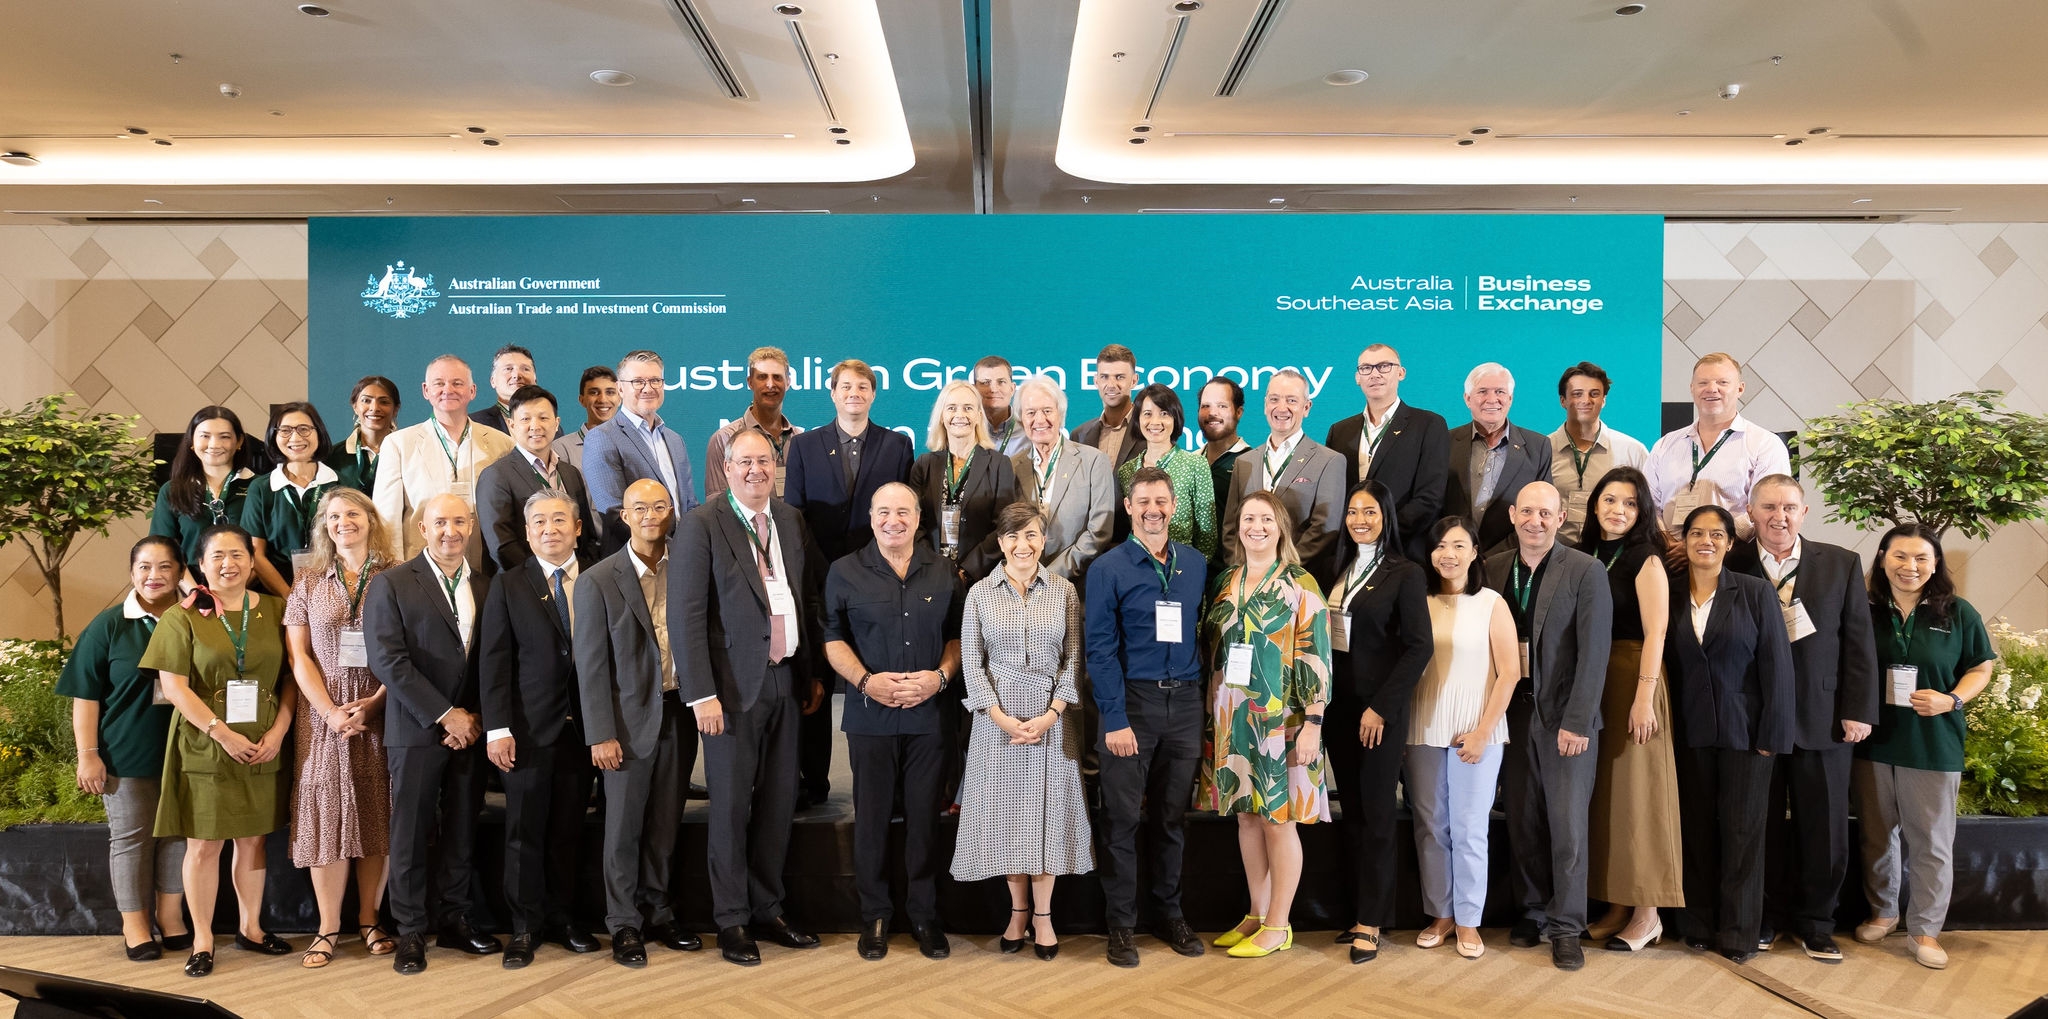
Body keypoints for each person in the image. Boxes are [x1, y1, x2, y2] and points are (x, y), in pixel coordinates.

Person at [675, 430, 824, 966]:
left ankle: (769, 906)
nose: (755, 470)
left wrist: (810, 673)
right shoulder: (701, 523)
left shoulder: (789, 518)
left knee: (780, 804)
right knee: (732, 808)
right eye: (745, 462)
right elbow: (687, 615)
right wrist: (701, 695)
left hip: (786, 681)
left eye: (764, 460)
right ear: (727, 466)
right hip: (731, 692)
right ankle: (731, 920)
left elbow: (802, 596)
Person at [140, 524, 297, 978]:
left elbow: (292, 678)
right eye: (218, 557)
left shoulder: (277, 608)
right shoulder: (183, 615)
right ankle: (203, 939)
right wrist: (223, 733)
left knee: (253, 840)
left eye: (237, 555)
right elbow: (174, 687)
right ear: (201, 566)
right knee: (204, 844)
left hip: (264, 742)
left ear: (252, 563)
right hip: (205, 743)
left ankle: (251, 927)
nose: (228, 564)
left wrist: (280, 731)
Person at [1733, 475, 1878, 961]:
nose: (1780, 516)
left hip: (1825, 719)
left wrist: (1858, 709)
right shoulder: (1732, 563)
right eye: (1769, 507)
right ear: (1751, 512)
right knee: (1762, 827)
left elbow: (1859, 645)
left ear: (1805, 511)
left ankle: (1818, 922)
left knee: (1826, 828)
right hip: (1756, 720)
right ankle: (1766, 917)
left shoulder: (1840, 564)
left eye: (1789, 507)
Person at [820, 482, 961, 962]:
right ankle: (875, 916)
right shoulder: (844, 572)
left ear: (919, 519)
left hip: (928, 720)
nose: (893, 520)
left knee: (924, 821)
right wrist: (865, 682)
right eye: (884, 512)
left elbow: (958, 638)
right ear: (871, 516)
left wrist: (939, 679)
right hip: (869, 718)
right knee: (872, 821)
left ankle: (924, 915)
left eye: (903, 512)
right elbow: (832, 639)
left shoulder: (943, 572)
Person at [361, 493, 501, 974]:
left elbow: (493, 661)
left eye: (459, 522)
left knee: (462, 829)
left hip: (472, 732)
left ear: (471, 527)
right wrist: (446, 715)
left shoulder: (487, 585)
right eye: (440, 522)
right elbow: (389, 662)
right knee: (411, 834)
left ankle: (457, 920)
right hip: (418, 730)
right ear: (422, 527)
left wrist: (475, 717)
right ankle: (411, 931)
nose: (450, 531)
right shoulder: (393, 584)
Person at [953, 501, 1093, 961]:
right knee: (1008, 818)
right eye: (1013, 537)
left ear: (1044, 540)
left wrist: (1053, 713)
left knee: (1046, 817)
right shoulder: (979, 594)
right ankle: (1017, 912)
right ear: (1000, 543)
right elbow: (972, 663)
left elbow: (1074, 657)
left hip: (1052, 718)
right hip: (998, 721)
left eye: (1032, 535)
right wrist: (1000, 717)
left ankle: (1044, 916)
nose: (1022, 545)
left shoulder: (1064, 592)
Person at [1852, 522, 1995, 971]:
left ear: (1935, 565)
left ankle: (1926, 930)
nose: (1909, 567)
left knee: (1931, 842)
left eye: (1920, 558)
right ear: (1881, 558)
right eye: (1899, 556)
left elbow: (1981, 667)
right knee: (1877, 836)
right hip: (1872, 740)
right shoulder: (1863, 608)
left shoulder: (1957, 613)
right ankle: (1885, 911)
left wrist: (1951, 699)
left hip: (1932, 744)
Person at [1484, 482, 1611, 971]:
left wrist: (1577, 720)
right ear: (1513, 515)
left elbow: (1594, 653)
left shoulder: (1585, 570)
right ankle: (1533, 911)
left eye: (1546, 513)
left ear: (1561, 519)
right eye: (1527, 511)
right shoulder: (1493, 568)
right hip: (1511, 716)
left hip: (1565, 720)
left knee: (1568, 829)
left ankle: (1566, 925)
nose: (1535, 520)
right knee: (1524, 820)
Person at [1085, 467, 1208, 967]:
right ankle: (1120, 924)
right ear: (1129, 507)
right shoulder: (1108, 568)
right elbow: (1099, 648)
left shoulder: (1195, 563)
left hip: (1183, 706)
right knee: (1119, 820)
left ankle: (1169, 913)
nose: (1153, 509)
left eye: (1161, 501)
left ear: (1173, 507)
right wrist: (1113, 718)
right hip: (1130, 705)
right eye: (1143, 502)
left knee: (1171, 819)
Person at [575, 479, 701, 968]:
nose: (651, 514)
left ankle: (658, 908)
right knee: (623, 827)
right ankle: (623, 922)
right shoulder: (598, 580)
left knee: (666, 822)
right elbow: (590, 666)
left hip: (679, 713)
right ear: (623, 515)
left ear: (672, 512)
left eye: (659, 506)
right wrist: (600, 733)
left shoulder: (690, 568)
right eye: (639, 507)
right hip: (625, 724)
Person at [1201, 489, 1331, 959]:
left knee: (1279, 821)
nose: (1256, 527)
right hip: (1232, 718)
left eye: (1266, 520)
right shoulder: (1225, 581)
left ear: (1281, 528)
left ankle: (1280, 923)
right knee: (1248, 818)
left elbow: (1317, 655)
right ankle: (1256, 914)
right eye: (1248, 519)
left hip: (1284, 721)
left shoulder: (1301, 583)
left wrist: (1314, 722)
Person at [1665, 504, 1796, 963]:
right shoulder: (1669, 592)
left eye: (1716, 534)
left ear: (1729, 542)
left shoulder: (1756, 593)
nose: (1706, 541)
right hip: (1688, 734)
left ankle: (1740, 932)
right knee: (1696, 833)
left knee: (1743, 837)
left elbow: (1777, 668)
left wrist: (1772, 736)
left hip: (1748, 737)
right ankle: (1697, 923)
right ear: (1682, 541)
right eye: (1696, 533)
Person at [784, 358, 914, 808]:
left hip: (879, 576)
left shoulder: (897, 445)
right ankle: (812, 783)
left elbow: (901, 514)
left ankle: (890, 786)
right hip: (817, 577)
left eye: (863, 386)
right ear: (832, 392)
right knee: (817, 677)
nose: (854, 393)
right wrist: (827, 570)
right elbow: (794, 517)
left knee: (878, 669)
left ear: (874, 394)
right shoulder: (803, 447)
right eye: (846, 386)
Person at [480, 487, 601, 968]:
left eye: (558, 520)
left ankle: (563, 917)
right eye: (538, 523)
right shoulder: (507, 584)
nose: (549, 530)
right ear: (527, 534)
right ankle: (526, 926)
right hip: (527, 733)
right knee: (524, 832)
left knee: (569, 831)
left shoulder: (598, 577)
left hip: (584, 732)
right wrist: (497, 729)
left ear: (576, 527)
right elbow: (494, 663)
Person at [60, 535, 190, 962]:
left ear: (180, 572)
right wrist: (88, 753)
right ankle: (135, 925)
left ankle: (171, 919)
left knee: (176, 837)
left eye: (165, 567)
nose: (154, 576)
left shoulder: (195, 619)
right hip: (126, 753)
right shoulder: (110, 625)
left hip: (186, 752)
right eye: (145, 567)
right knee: (132, 839)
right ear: (132, 573)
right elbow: (86, 695)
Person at [283, 487, 397, 969]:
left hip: (382, 711)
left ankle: (370, 919)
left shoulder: (397, 577)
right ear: (323, 526)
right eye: (333, 516)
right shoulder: (307, 582)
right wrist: (331, 711)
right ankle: (327, 928)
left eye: (353, 513)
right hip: (323, 719)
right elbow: (298, 656)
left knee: (377, 814)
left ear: (371, 519)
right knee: (327, 817)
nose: (343, 521)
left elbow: (410, 650)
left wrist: (374, 704)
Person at [1575, 467, 1684, 954]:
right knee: (1608, 799)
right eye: (1610, 500)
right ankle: (1617, 902)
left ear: (1642, 513)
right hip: (1594, 683)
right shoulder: (1585, 554)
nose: (1618, 510)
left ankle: (1648, 913)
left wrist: (1643, 697)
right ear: (1595, 504)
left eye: (1630, 504)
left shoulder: (1647, 559)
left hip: (1634, 678)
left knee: (1641, 797)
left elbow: (1657, 633)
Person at [1323, 480, 1432, 963]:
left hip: (1377, 713)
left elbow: (1418, 647)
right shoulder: (1337, 568)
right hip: (1338, 710)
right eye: (1352, 512)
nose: (1359, 520)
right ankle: (1357, 911)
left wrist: (1382, 707)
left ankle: (1374, 920)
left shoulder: (1405, 573)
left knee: (1379, 815)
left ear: (1386, 515)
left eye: (1369, 512)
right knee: (1354, 815)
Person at [1406, 516, 1517, 960]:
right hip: (1423, 728)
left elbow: (1510, 672)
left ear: (1474, 553)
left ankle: (1470, 920)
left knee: (1470, 829)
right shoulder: (1418, 599)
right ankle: (1441, 915)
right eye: (1439, 546)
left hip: (1478, 731)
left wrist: (1483, 730)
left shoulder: (1492, 603)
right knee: (1430, 827)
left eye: (1458, 545)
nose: (1447, 554)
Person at [370, 355, 516, 565]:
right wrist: (395, 575)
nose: (448, 390)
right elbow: (386, 521)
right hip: (419, 572)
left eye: (457, 383)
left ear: (472, 391)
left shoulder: (502, 444)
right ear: (425, 390)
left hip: (484, 572)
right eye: (439, 383)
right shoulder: (398, 445)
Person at [1323, 343, 1451, 563]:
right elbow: (1334, 498)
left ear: (1401, 373)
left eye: (1384, 366)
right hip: (1349, 555)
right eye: (1366, 368)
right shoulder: (1340, 431)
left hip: (1403, 553)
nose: (1375, 374)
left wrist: (1378, 534)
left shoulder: (1428, 424)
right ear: (1357, 377)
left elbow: (1430, 498)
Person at [1643, 353, 1791, 540]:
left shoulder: (1765, 444)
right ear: (1692, 388)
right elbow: (1649, 505)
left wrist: (1710, 543)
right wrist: (1667, 542)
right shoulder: (1665, 445)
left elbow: (1766, 509)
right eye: (1703, 383)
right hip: (1668, 557)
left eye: (1722, 382)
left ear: (1740, 389)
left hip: (1734, 557)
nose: (1711, 389)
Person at [1220, 369, 1346, 588]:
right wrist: (1244, 571)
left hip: (1299, 583)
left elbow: (1324, 529)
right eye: (1274, 399)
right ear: (1265, 405)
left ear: (1306, 407)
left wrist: (1280, 571)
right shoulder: (1245, 462)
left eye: (1291, 400)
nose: (1282, 408)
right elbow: (1231, 527)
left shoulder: (1329, 461)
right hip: (1247, 583)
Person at [582, 349, 700, 552]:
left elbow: (689, 505)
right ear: (620, 388)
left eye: (655, 380)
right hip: (635, 561)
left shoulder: (674, 439)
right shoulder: (602, 438)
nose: (648, 388)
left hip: (682, 558)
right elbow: (614, 513)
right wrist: (666, 549)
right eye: (638, 382)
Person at [477, 385, 601, 576]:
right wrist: (547, 578)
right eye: (526, 419)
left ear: (556, 423)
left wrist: (582, 573)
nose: (535, 426)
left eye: (543, 418)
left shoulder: (570, 473)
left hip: (576, 580)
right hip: (525, 585)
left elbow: (586, 534)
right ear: (511, 425)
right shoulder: (496, 475)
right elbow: (502, 547)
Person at [905, 379, 1020, 580]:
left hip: (982, 578)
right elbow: (914, 523)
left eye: (968, 408)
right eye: (952, 408)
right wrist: (934, 566)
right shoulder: (924, 465)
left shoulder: (999, 464)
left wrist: (968, 571)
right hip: (931, 576)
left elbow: (1004, 524)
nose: (960, 415)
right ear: (942, 416)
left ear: (978, 416)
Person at [1011, 374, 1115, 590]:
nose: (1040, 420)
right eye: (1031, 412)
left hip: (1078, 588)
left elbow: (1099, 532)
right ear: (1021, 419)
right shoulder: (1011, 467)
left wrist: (1048, 576)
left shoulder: (1093, 461)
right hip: (1022, 589)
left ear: (1061, 414)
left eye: (1047, 411)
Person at [1444, 363, 1552, 557]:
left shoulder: (1538, 447)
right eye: (1482, 391)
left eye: (1500, 391)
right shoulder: (1444, 442)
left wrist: (1496, 558)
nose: (1492, 399)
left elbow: (1543, 510)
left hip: (1510, 560)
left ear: (1510, 399)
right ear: (1467, 399)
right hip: (1453, 558)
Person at [242, 402, 342, 597]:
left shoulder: (341, 483)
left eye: (304, 429)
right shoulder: (261, 488)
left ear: (319, 433)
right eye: (285, 430)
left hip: (333, 590)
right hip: (276, 592)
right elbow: (256, 554)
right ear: (274, 436)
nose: (295, 437)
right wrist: (290, 598)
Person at [150, 406, 254, 590]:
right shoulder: (173, 490)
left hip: (251, 591)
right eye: (205, 436)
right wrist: (195, 594)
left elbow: (266, 549)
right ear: (191, 441)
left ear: (239, 442)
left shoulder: (259, 487)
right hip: (193, 595)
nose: (214, 444)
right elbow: (165, 551)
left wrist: (235, 590)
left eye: (224, 436)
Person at [1548, 362, 1650, 545]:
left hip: (1615, 556)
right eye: (1577, 394)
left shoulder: (1632, 451)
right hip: (1557, 555)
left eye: (1594, 394)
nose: (1586, 400)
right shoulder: (1542, 450)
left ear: (1603, 400)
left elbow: (1649, 509)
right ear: (1562, 400)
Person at [1115, 384, 1218, 562]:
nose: (1155, 422)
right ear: (1138, 420)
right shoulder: (1127, 471)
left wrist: (1194, 569)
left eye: (1164, 413)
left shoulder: (1195, 464)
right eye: (1147, 414)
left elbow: (1207, 535)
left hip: (1184, 567)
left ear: (1175, 418)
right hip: (1137, 568)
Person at [705, 346, 804, 498]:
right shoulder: (724, 439)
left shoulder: (800, 440)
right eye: (762, 377)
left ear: (788, 382)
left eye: (777, 377)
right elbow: (716, 505)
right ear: (750, 382)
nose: (770, 384)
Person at [1070, 344, 1143, 470]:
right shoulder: (1078, 436)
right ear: (1096, 381)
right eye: (1104, 377)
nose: (1111, 385)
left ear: (1134, 381)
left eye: (1119, 377)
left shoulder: (1149, 430)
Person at [328, 375, 399, 493]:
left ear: (395, 409)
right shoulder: (333, 457)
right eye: (366, 401)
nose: (374, 408)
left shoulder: (409, 453)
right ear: (355, 406)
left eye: (384, 402)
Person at [1196, 376, 1250, 524]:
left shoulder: (1253, 462)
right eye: (1205, 406)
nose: (1212, 413)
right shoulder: (1190, 461)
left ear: (1238, 412)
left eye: (1222, 406)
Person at [553, 365, 619, 477]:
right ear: (582, 400)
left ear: (620, 398)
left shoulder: (632, 443)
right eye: (594, 392)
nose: (603, 399)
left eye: (610, 392)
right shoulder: (561, 448)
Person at [468, 344, 538, 437]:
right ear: (493, 381)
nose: (516, 375)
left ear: (535, 380)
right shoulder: (474, 423)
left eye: (525, 369)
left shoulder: (551, 427)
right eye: (508, 369)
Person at [972, 355, 1030, 456]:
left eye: (1001, 382)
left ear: (1012, 389)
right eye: (986, 383)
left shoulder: (1030, 431)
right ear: (974, 390)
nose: (993, 389)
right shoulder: (964, 429)